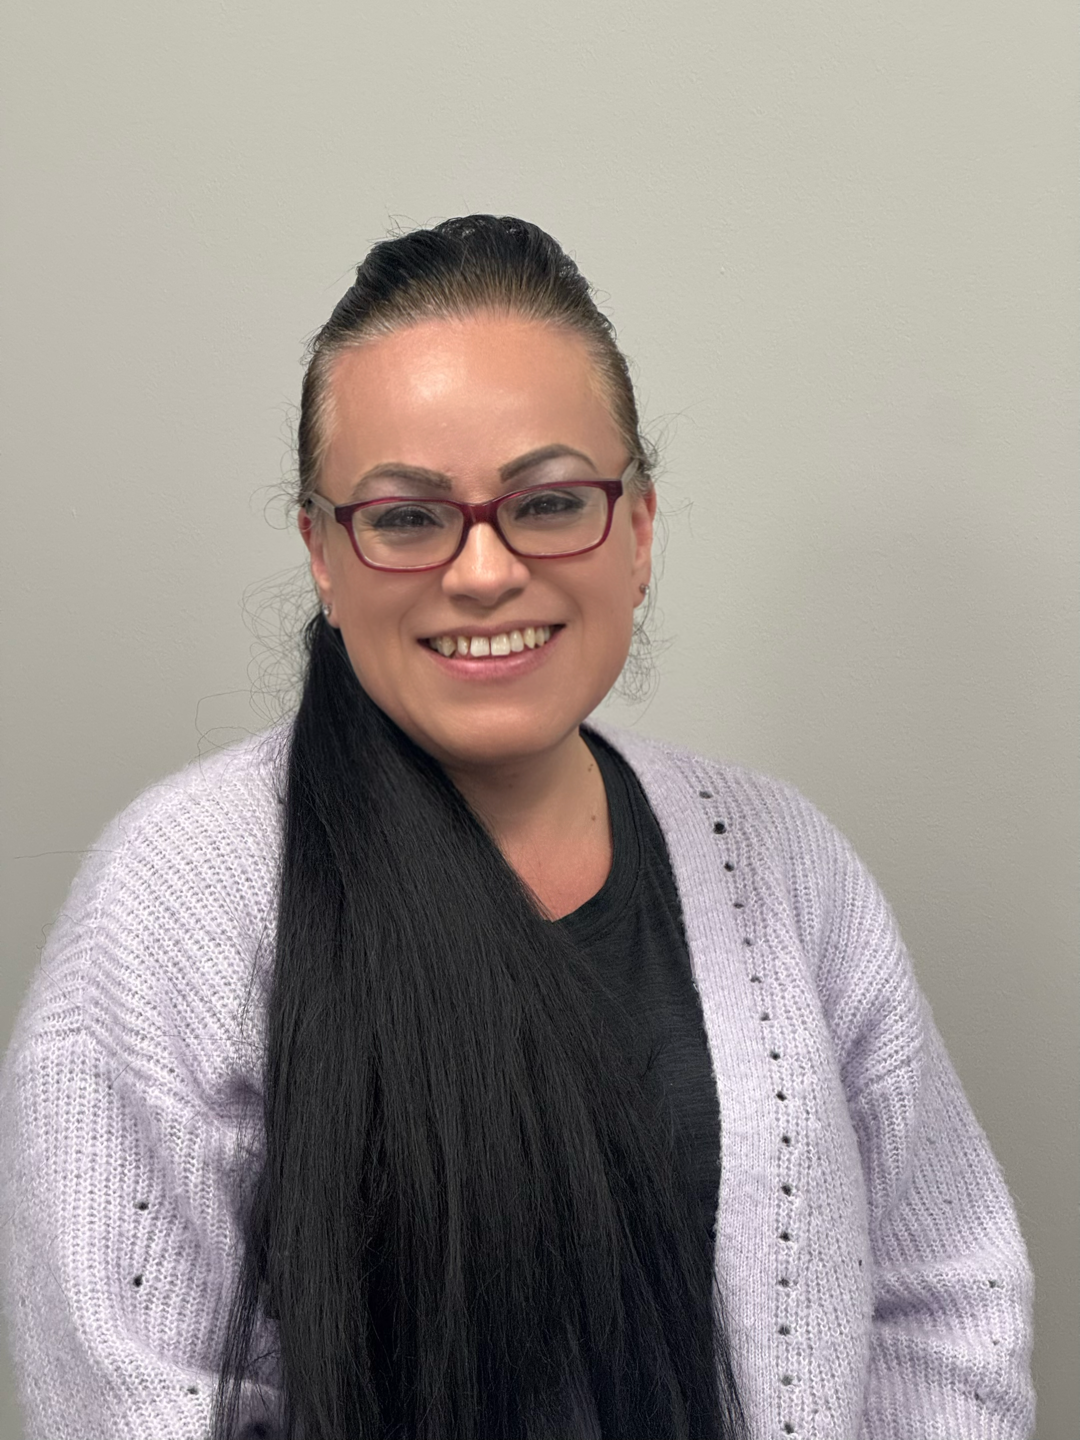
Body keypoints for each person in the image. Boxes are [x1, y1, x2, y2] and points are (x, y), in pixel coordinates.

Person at [0, 216, 1034, 1440]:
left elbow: (946, 1298)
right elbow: (132, 1394)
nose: (484, 571)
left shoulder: (783, 861)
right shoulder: (175, 899)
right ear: (322, 553)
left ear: (639, 531)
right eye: (405, 516)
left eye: (548, 502)